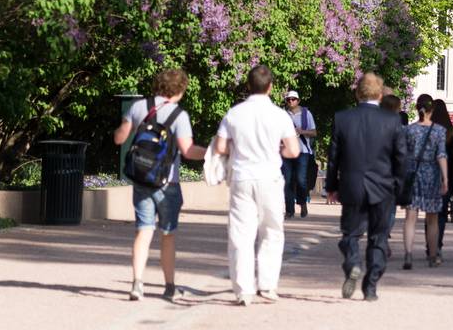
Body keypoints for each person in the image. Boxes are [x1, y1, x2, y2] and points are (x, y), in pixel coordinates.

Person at [114, 68, 206, 301]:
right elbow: (187, 151)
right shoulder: (179, 116)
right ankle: (169, 286)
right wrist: (211, 153)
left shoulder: (138, 106)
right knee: (168, 235)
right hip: (168, 182)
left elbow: (119, 138)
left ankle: (137, 283)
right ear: (181, 89)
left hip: (141, 179)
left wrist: (126, 128)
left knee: (143, 231)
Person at [214, 65, 299, 306]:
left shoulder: (234, 113)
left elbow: (220, 147)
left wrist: (237, 149)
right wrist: (276, 149)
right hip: (269, 177)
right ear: (270, 87)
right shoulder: (280, 115)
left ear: (249, 86)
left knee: (241, 233)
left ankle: (243, 289)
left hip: (242, 176)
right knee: (272, 231)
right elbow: (293, 151)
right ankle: (268, 285)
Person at [327, 72, 407, 301]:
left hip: (352, 185)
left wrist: (332, 185)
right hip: (382, 187)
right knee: (378, 237)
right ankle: (370, 285)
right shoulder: (392, 120)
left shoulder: (343, 118)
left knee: (350, 234)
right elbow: (401, 158)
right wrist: (400, 188)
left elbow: (334, 156)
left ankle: (353, 262)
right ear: (380, 95)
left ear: (357, 93)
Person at [401, 96, 448, 269]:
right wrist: (446, 178)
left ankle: (408, 254)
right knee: (432, 218)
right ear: (432, 110)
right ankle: (433, 255)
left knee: (410, 217)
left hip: (412, 175)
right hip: (432, 175)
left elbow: (403, 155)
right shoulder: (439, 131)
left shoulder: (409, 130)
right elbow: (441, 155)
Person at [282, 89, 316, 218]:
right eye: (289, 99)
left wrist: (302, 131)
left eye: (293, 99)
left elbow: (314, 132)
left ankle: (302, 203)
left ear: (298, 100)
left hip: (303, 151)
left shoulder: (306, 114)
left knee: (301, 180)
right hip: (286, 151)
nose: (291, 101)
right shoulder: (283, 115)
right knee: (288, 181)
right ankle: (289, 210)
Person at [434, 104, 453, 261]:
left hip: (431, 174)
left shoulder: (430, 129)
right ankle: (438, 243)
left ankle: (430, 243)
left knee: (431, 213)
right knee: (442, 212)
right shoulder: (450, 131)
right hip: (447, 175)